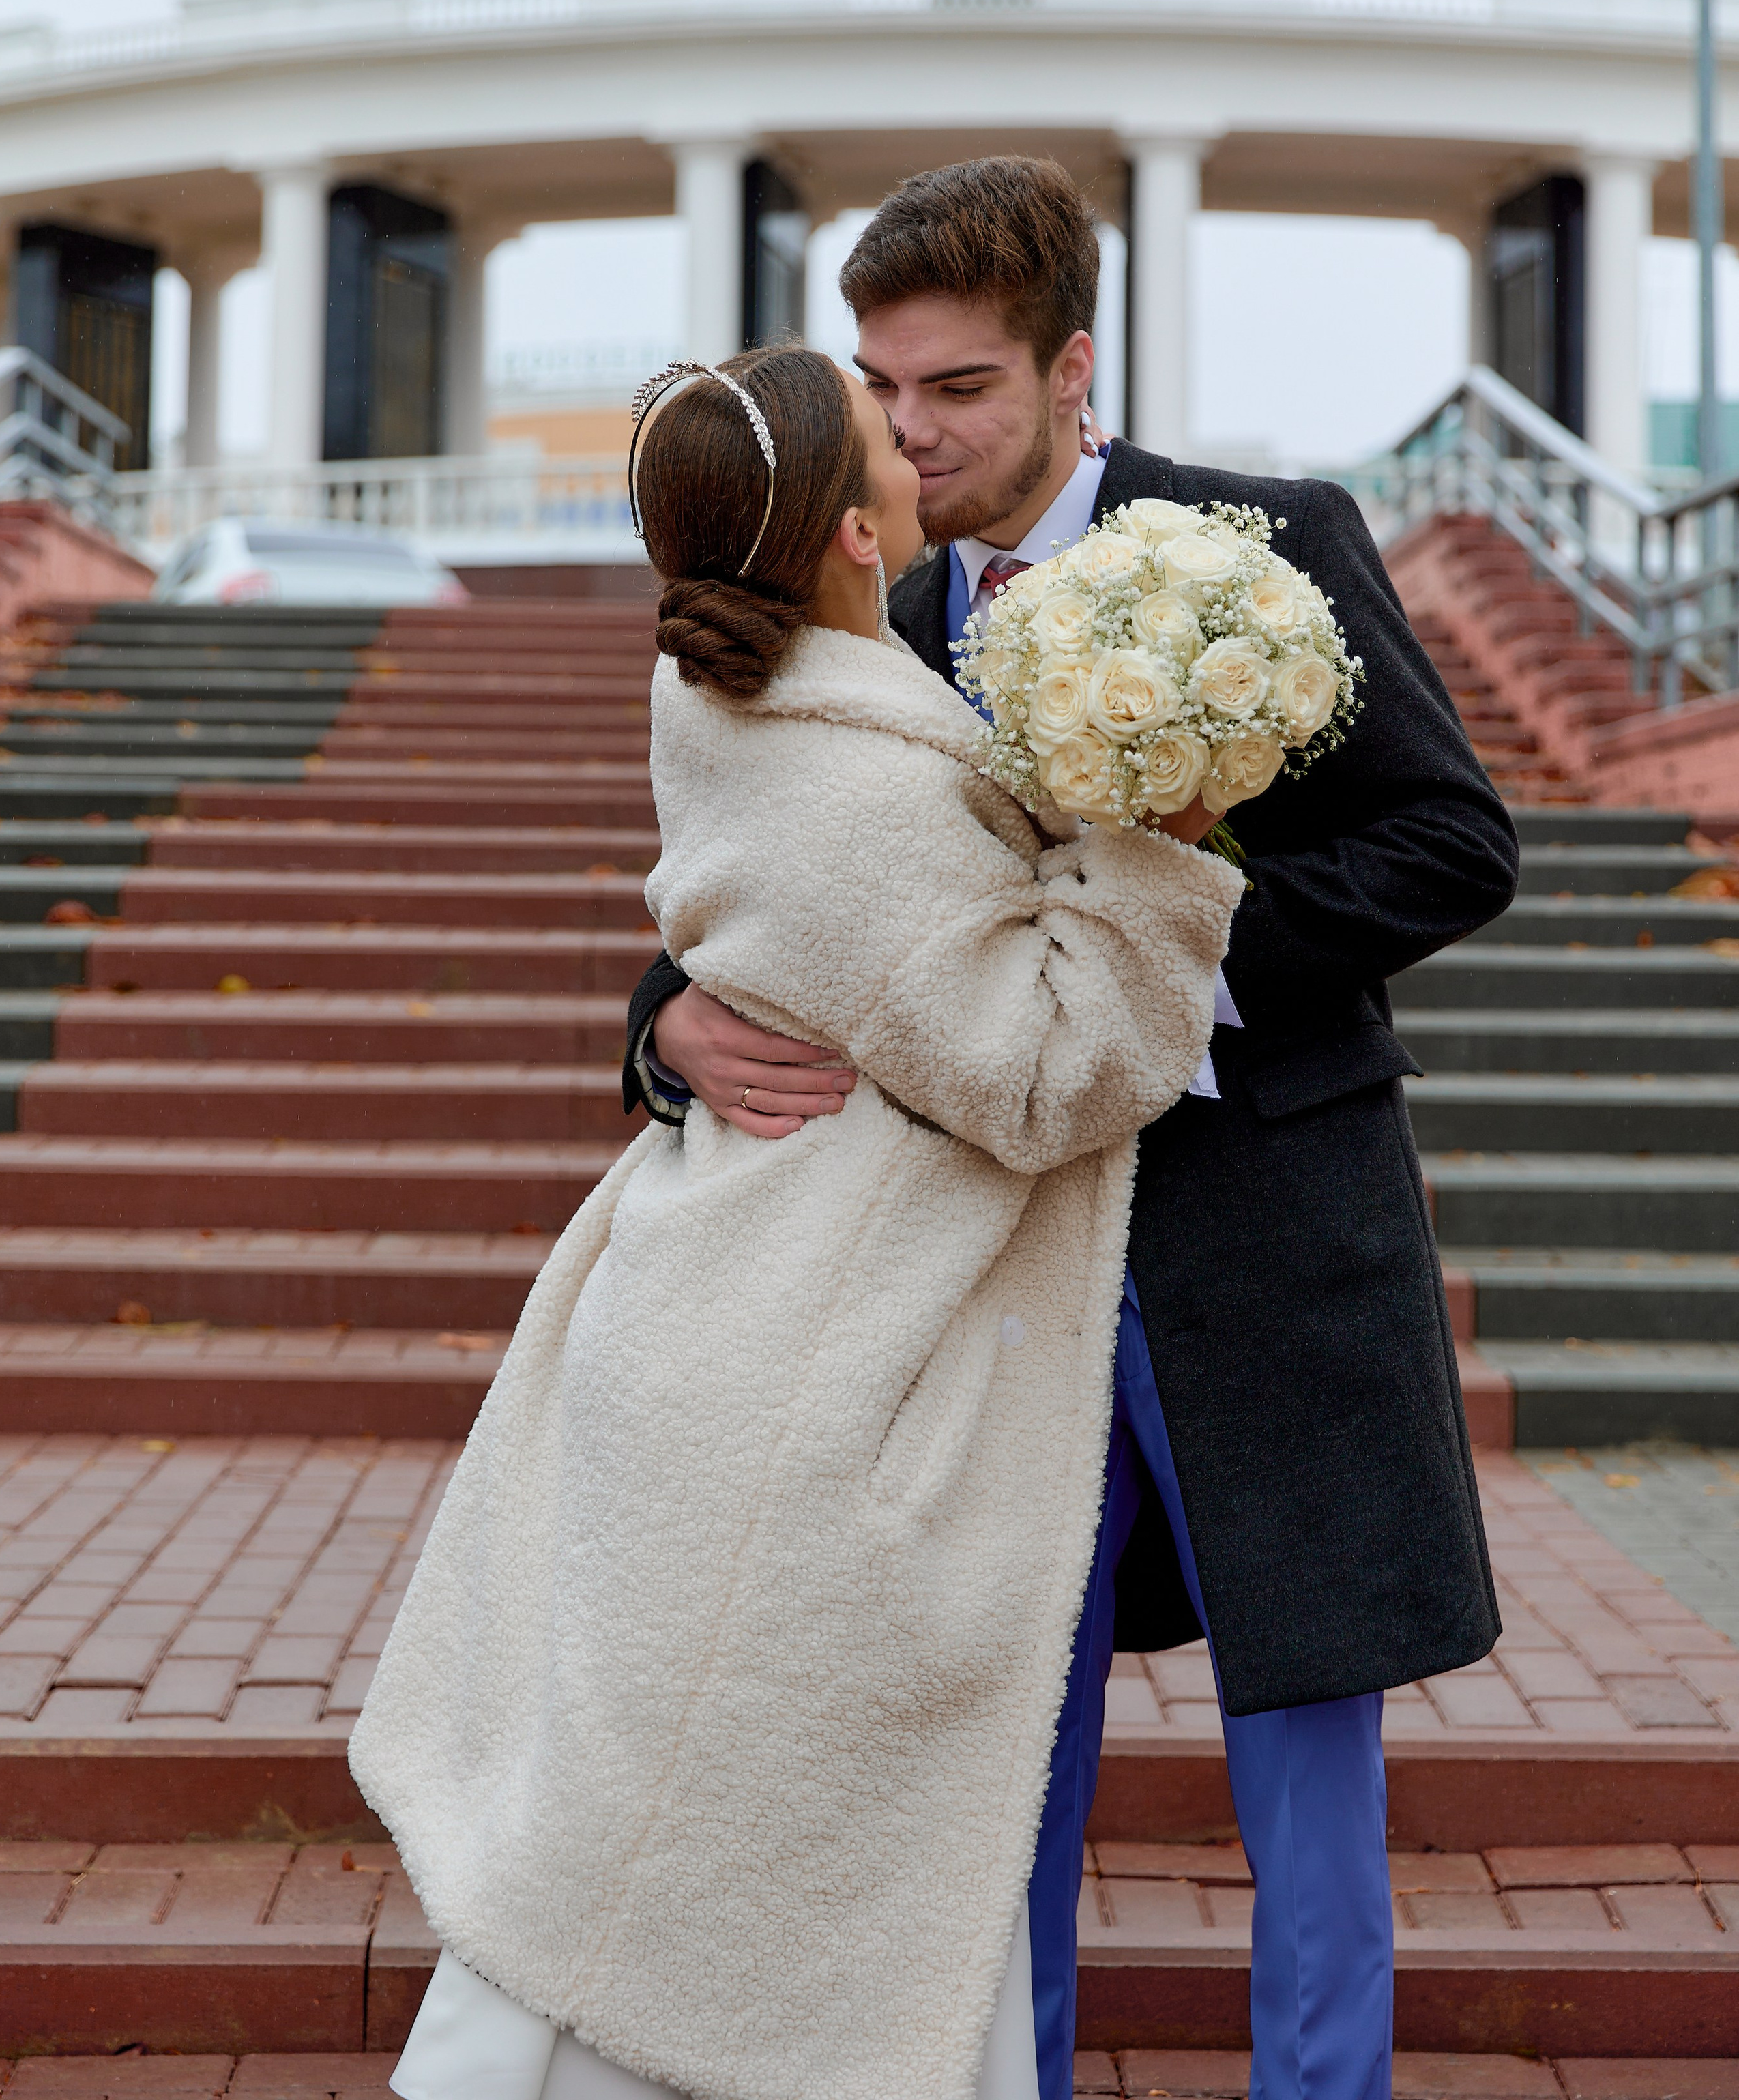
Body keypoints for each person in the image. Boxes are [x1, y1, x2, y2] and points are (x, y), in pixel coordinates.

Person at [626, 158, 1522, 2100]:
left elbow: (1456, 841)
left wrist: (1165, 985)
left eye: (958, 386)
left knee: (1309, 1775)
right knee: (986, 1756)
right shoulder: (867, 610)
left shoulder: (1264, 543)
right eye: (886, 387)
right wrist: (667, 1022)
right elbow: (762, 878)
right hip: (990, 1265)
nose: (916, 430)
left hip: (1266, 1230)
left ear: (1071, 373)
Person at [351, 342, 1244, 2100]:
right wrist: (1162, 849)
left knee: (661, 1840)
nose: (913, 435)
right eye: (877, 421)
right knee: (704, 1874)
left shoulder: (767, 705)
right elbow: (1048, 1071)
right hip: (798, 1363)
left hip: (732, 1317)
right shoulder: (859, 779)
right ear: (853, 529)